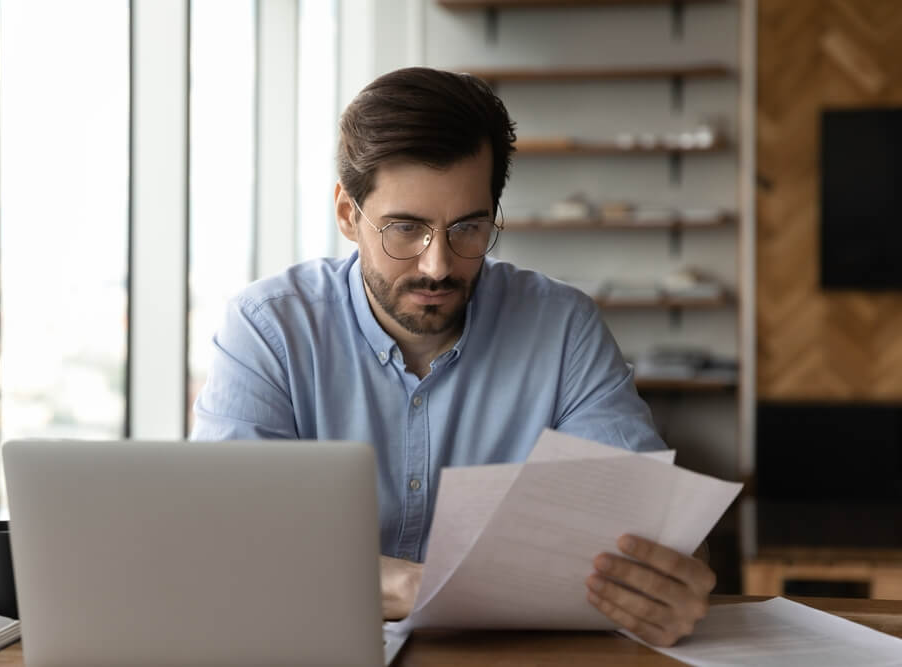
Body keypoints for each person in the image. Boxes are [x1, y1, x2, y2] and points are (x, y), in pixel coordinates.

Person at [190, 66, 715, 646]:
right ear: (347, 215)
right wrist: (412, 587)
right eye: (405, 229)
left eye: (467, 228)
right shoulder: (269, 329)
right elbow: (224, 545)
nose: (437, 264)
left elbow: (651, 527)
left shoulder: (562, 327)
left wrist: (669, 583)